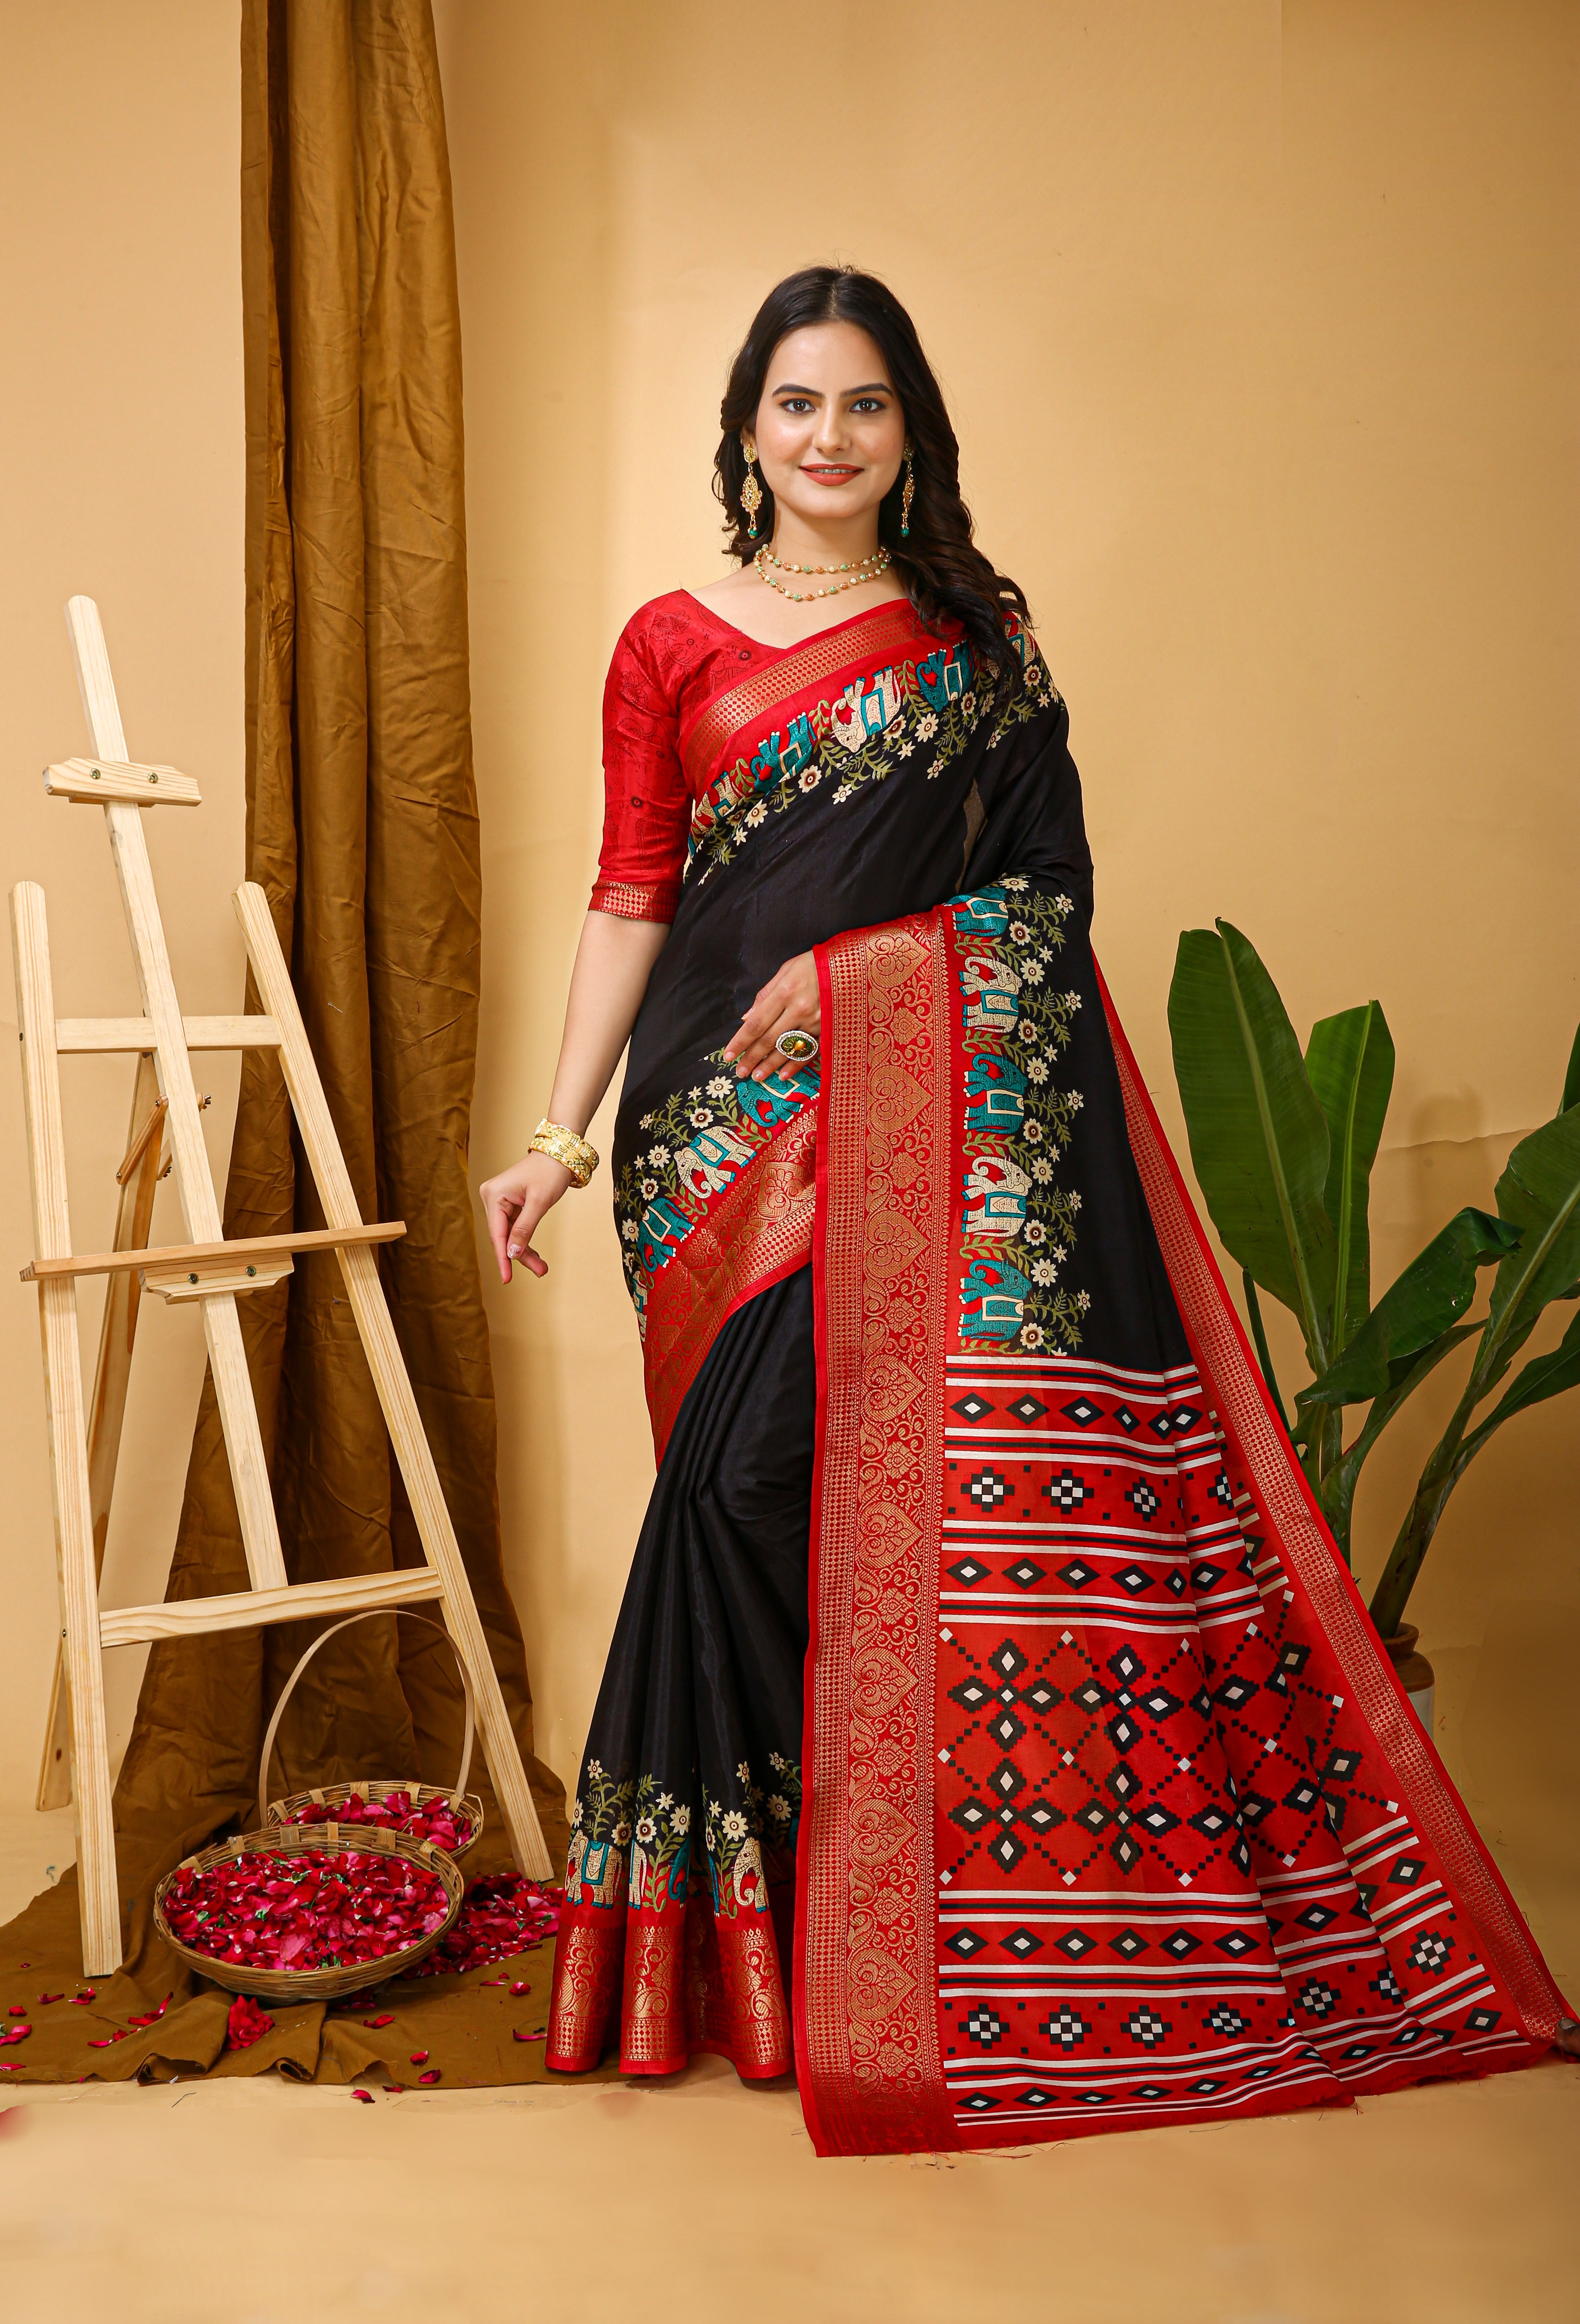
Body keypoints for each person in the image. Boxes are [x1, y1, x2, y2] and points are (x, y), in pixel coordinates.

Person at [478, 266, 1568, 2159]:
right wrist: (562, 1142)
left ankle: (869, 1934)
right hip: (706, 1140)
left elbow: (1047, 898)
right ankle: (782, 1951)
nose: (831, 437)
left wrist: (853, 986)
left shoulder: (978, 644)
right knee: (742, 1495)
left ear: (914, 434)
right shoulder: (669, 641)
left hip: (914, 1125)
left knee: (806, 1492)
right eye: (798, 403)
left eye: (869, 405)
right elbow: (632, 891)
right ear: (748, 426)